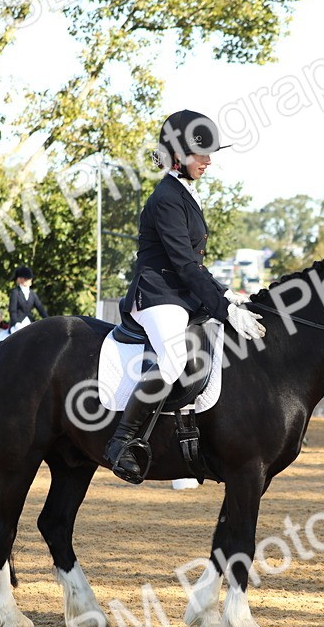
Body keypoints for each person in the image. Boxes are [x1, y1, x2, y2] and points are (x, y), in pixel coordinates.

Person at [103, 109, 265, 483]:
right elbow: (185, 266)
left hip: (181, 296)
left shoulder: (184, 192)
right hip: (158, 295)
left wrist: (229, 295)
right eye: (201, 154)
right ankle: (122, 441)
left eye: (209, 154)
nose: (209, 161)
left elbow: (194, 266)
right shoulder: (166, 198)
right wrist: (224, 308)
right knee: (174, 359)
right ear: (177, 154)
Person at [8, 266, 49, 333]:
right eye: (27, 279)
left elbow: (40, 309)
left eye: (30, 279)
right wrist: (16, 323)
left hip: (29, 321)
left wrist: (49, 320)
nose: (30, 280)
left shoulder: (32, 293)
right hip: (17, 324)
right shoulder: (15, 292)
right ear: (21, 279)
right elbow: (13, 310)